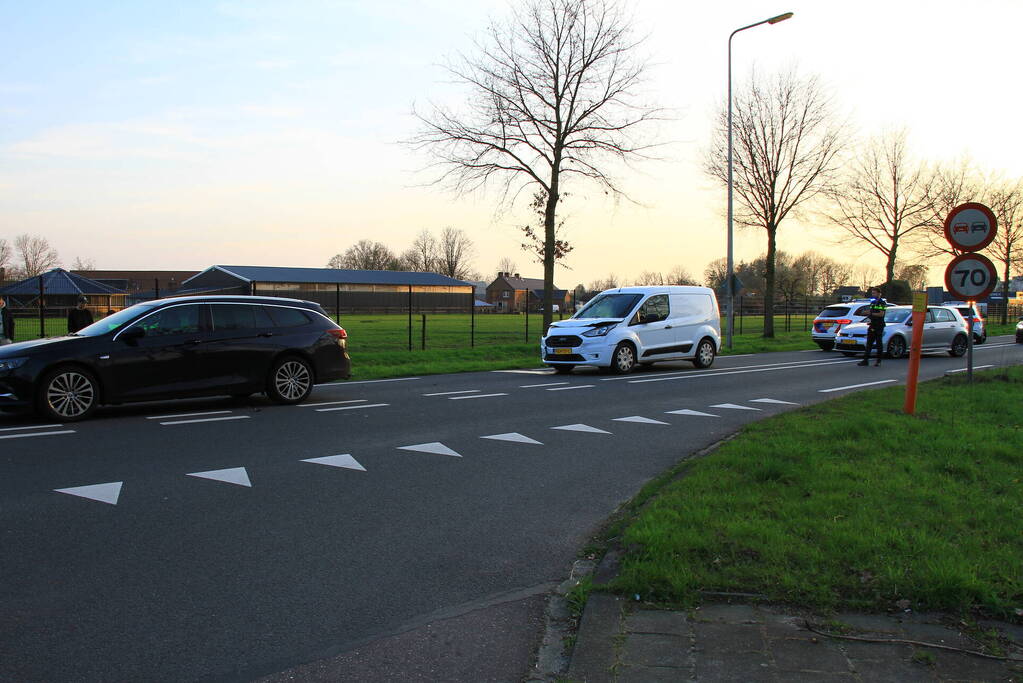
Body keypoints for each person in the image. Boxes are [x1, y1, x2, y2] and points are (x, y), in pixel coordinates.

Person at [858, 286, 888, 367]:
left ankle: (878, 361)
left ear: (879, 293)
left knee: (878, 343)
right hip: (872, 325)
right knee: (869, 343)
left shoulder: (882, 303)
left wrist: (870, 314)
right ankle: (865, 360)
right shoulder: (873, 302)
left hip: (879, 325)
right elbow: (871, 311)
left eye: (874, 293)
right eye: (872, 293)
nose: (873, 294)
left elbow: (881, 314)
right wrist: (865, 313)